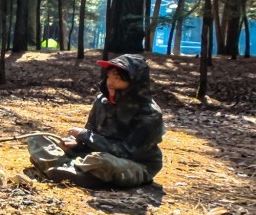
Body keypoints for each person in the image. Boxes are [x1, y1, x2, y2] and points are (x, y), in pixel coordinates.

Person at [27, 54, 165, 188]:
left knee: (102, 162)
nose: (110, 83)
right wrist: (77, 144)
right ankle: (75, 172)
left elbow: (127, 152)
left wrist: (85, 136)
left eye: (117, 78)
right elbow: (92, 134)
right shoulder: (102, 101)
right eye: (109, 77)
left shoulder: (149, 114)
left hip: (133, 164)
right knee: (37, 138)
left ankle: (59, 168)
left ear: (134, 82)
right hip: (90, 156)